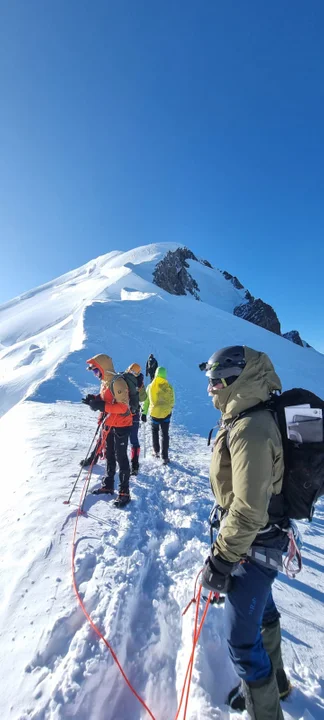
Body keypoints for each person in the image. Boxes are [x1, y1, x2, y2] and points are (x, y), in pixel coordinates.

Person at [200, 345, 291, 720]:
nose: (210, 389)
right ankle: (278, 683)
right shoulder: (245, 417)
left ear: (236, 381)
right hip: (256, 541)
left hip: (251, 547)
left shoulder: (250, 429)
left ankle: (265, 707)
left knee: (241, 641)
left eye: (215, 382)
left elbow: (249, 509)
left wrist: (221, 559)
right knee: (263, 610)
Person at [82, 354, 132, 508]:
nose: (96, 375)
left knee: (121, 457)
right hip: (110, 423)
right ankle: (108, 485)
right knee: (109, 455)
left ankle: (124, 493)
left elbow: (123, 407)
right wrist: (95, 398)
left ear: (103, 368)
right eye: (94, 372)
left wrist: (102, 407)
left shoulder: (118, 383)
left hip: (122, 425)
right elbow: (107, 398)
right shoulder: (106, 382)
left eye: (97, 371)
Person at [142, 366, 174, 464]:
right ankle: (165, 457)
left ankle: (156, 451)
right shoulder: (169, 386)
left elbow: (146, 401)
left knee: (154, 432)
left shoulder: (150, 386)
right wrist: (169, 410)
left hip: (154, 414)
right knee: (165, 434)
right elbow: (172, 401)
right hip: (166, 415)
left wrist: (144, 413)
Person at [125, 363, 147, 475]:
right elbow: (143, 398)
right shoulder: (139, 382)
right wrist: (140, 387)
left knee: (122, 439)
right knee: (133, 439)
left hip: (124, 413)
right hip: (135, 414)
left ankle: (126, 464)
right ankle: (134, 464)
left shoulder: (122, 378)